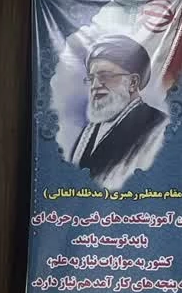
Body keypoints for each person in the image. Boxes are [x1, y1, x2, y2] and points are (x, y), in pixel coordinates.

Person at [68, 34, 167, 190]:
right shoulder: (89, 131)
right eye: (91, 78)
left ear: (133, 83)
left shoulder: (157, 126)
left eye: (105, 76)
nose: (95, 85)